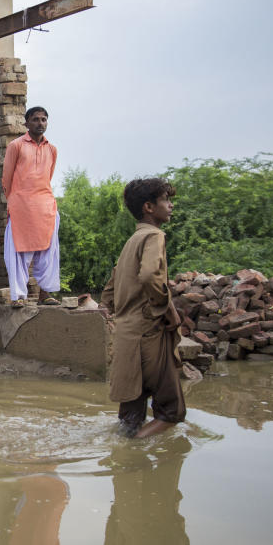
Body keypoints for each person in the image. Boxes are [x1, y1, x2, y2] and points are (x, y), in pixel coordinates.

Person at [99, 178, 185, 438]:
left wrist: (110, 307)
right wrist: (168, 311)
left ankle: (125, 460)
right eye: (166, 201)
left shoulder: (132, 240)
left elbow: (110, 291)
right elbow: (149, 276)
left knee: (131, 417)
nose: (171, 206)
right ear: (149, 207)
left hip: (127, 335)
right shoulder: (154, 235)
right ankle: (132, 451)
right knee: (172, 412)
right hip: (148, 332)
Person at [1, 106, 60, 308]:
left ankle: (46, 293)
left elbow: (48, 177)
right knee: (18, 252)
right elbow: (6, 178)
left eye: (44, 119)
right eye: (35, 119)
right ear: (26, 123)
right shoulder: (16, 146)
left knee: (48, 251)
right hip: (21, 207)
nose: (40, 123)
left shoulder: (52, 149)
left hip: (46, 207)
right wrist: (16, 200)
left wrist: (40, 198)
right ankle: (18, 296)